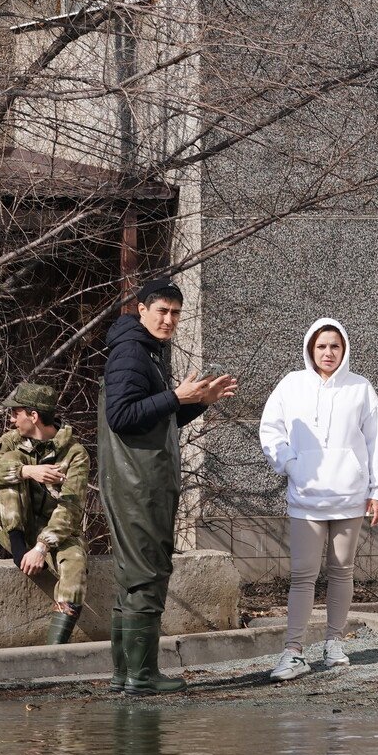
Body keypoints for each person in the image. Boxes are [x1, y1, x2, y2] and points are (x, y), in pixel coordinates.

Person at [99, 280, 238, 695]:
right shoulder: (130, 352)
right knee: (146, 575)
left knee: (135, 578)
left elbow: (154, 420)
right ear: (141, 309)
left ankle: (125, 674)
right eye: (161, 310)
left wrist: (196, 403)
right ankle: (142, 676)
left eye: (176, 313)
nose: (169, 319)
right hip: (136, 484)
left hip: (140, 480)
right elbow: (122, 416)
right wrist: (176, 396)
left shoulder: (145, 352)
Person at [257, 318, 378, 682]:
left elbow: (376, 441)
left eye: (334, 346)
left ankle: (334, 642)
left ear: (344, 349)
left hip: (350, 497)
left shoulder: (361, 389)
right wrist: (290, 464)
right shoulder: (291, 385)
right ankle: (293, 651)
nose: (328, 352)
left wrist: (377, 490)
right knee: (303, 575)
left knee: (342, 571)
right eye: (321, 346)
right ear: (310, 349)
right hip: (306, 497)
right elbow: (270, 429)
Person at [0, 382, 92, 644]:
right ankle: (18, 548)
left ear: (33, 416)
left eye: (16, 413)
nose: (12, 419)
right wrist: (26, 471)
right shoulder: (11, 442)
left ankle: (55, 649)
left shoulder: (74, 454)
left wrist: (42, 547)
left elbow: (70, 508)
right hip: (17, 529)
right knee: (11, 470)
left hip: (53, 532)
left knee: (75, 563)